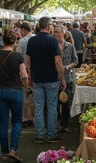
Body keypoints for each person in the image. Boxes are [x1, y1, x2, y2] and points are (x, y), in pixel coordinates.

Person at [0, 29, 28, 162]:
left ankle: (5, 152)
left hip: (0, 90)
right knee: (17, 121)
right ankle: (13, 149)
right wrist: (26, 83)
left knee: (3, 122)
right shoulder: (18, 56)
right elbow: (24, 75)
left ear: (2, 41)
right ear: (15, 42)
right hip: (16, 90)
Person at [27, 16, 66, 144]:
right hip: (51, 79)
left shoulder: (32, 41)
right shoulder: (53, 41)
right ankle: (52, 134)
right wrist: (62, 79)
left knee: (38, 107)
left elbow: (29, 61)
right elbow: (57, 61)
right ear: (49, 27)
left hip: (37, 78)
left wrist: (29, 76)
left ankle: (39, 135)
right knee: (51, 107)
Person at [53, 25, 78, 133]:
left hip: (67, 78)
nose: (54, 34)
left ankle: (64, 125)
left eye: (57, 32)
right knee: (54, 104)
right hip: (53, 79)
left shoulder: (70, 46)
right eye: (53, 32)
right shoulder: (52, 46)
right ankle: (54, 125)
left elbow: (76, 61)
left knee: (66, 103)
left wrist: (68, 66)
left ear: (62, 34)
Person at [15, 21, 35, 128]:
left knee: (24, 95)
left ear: (23, 30)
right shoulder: (36, 39)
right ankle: (31, 118)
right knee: (32, 96)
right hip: (35, 71)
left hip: (23, 70)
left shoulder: (21, 41)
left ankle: (24, 119)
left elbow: (18, 56)